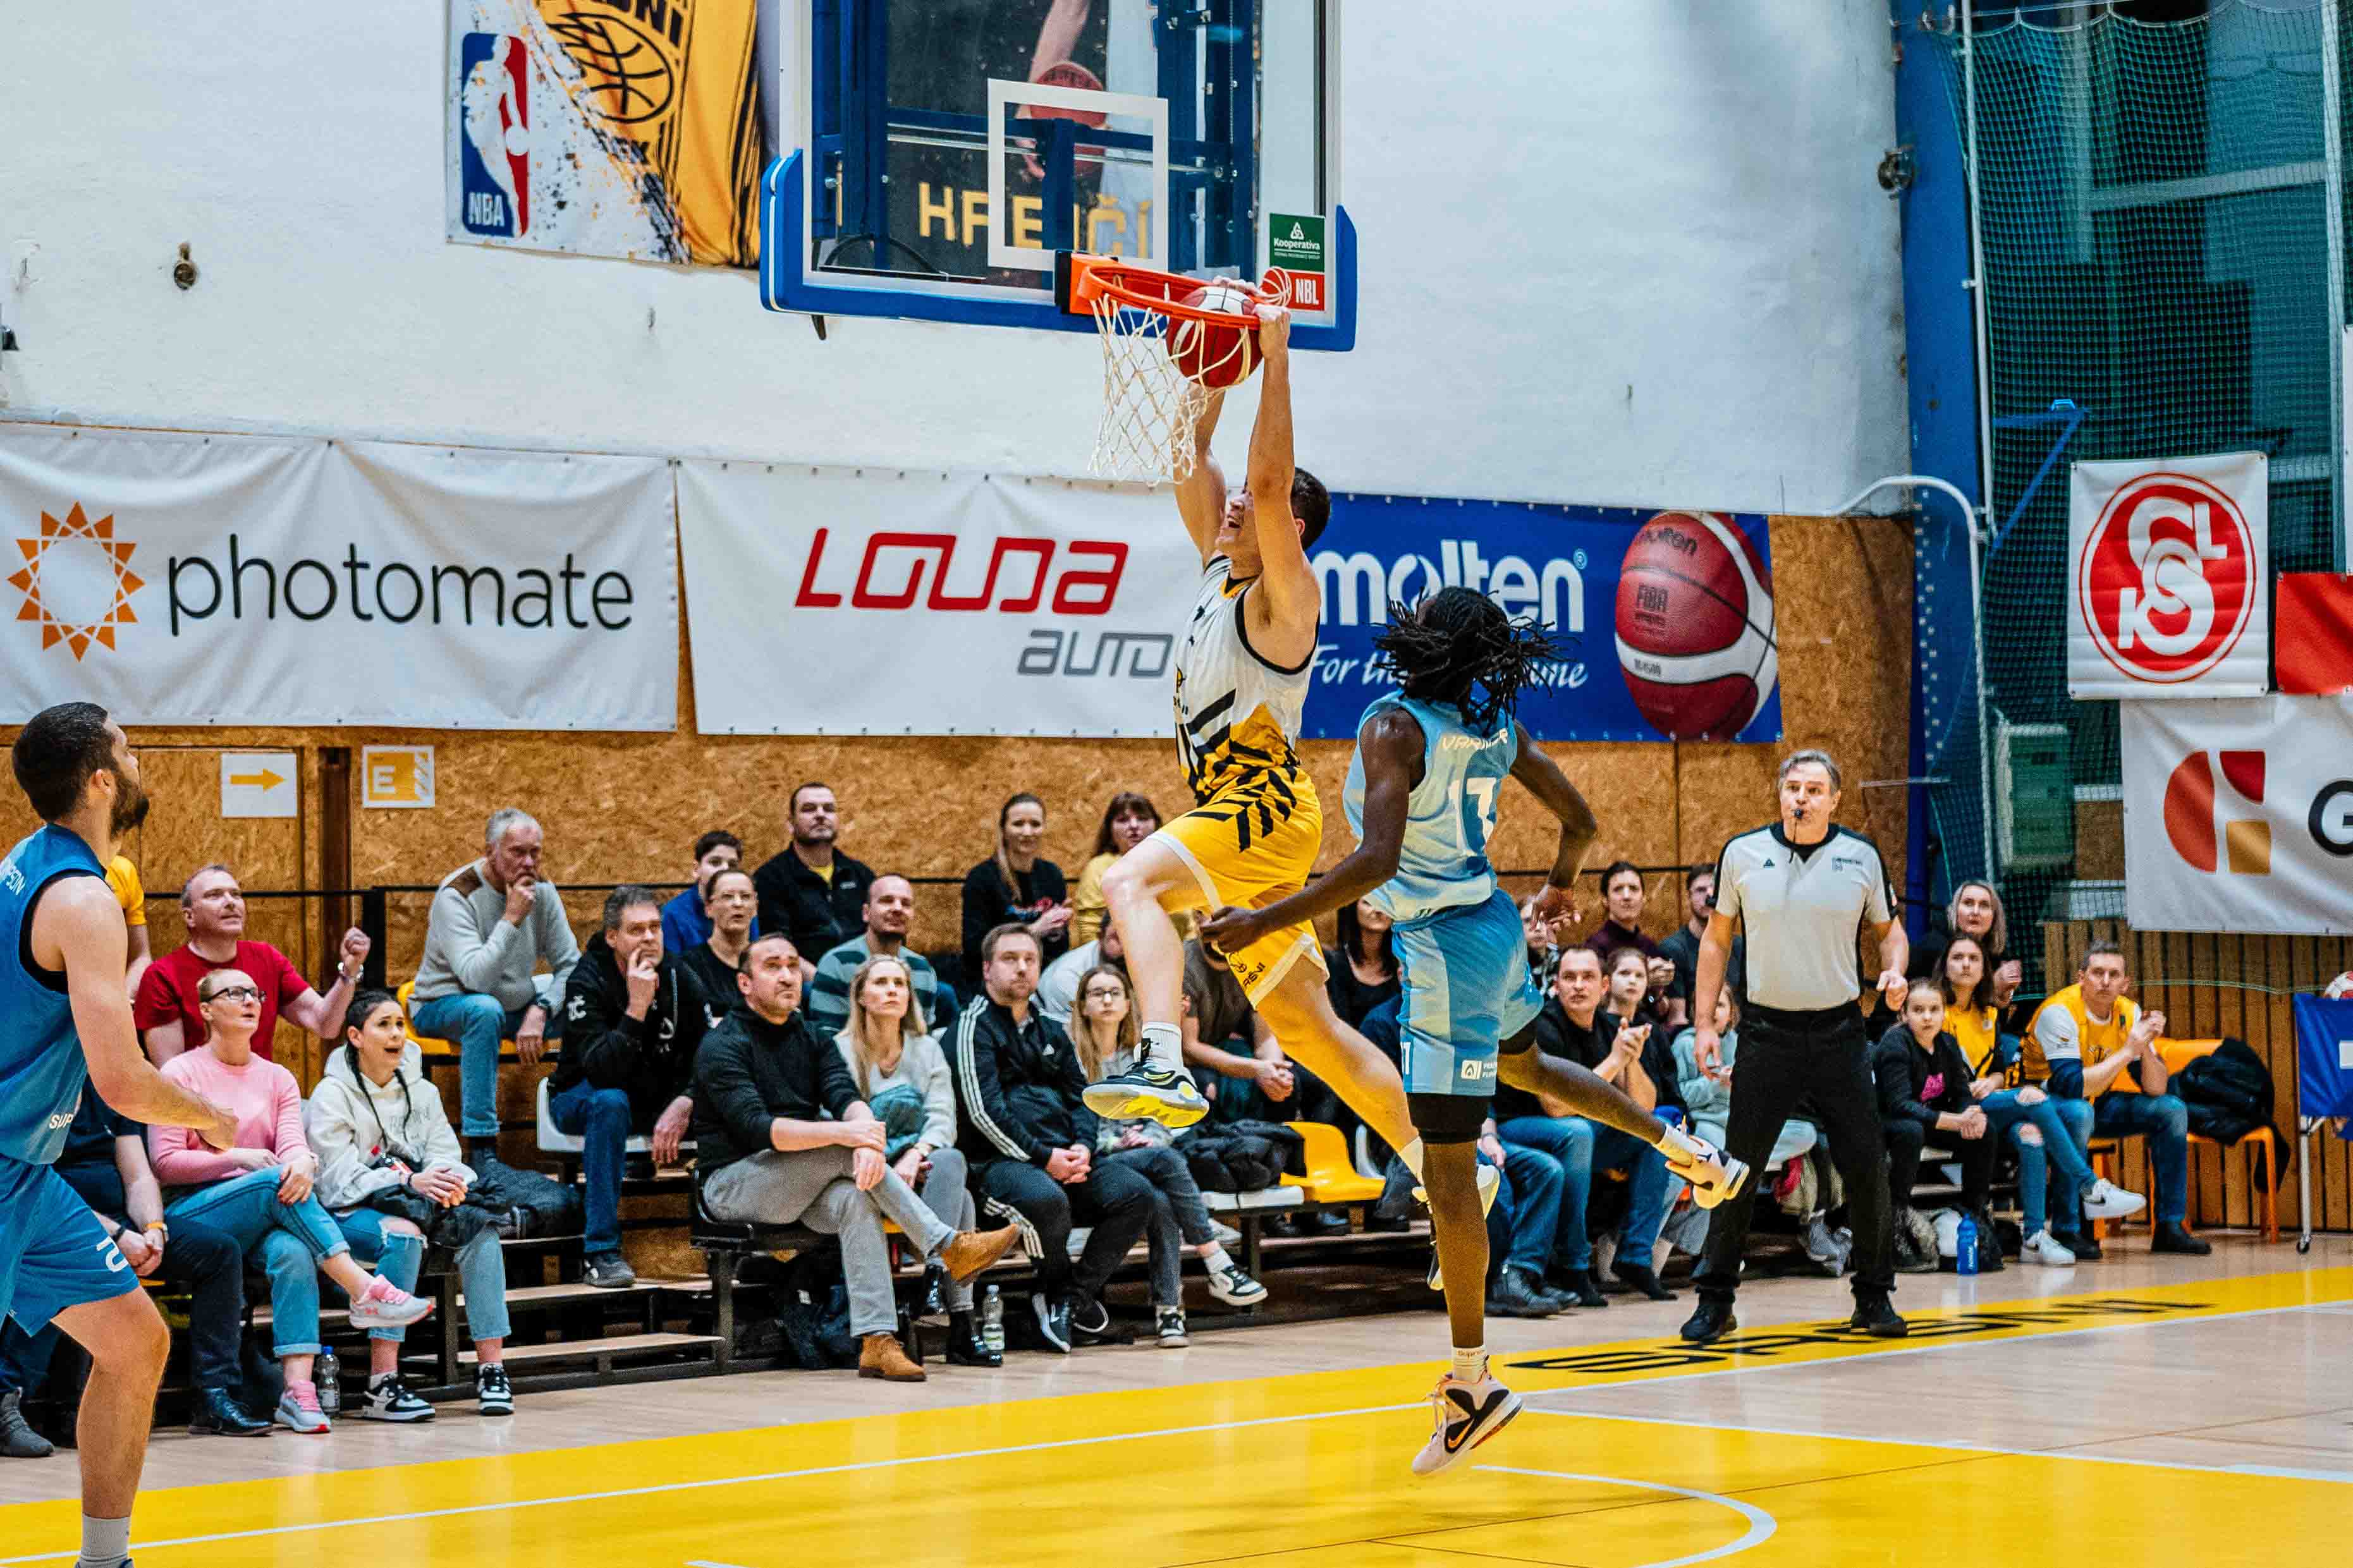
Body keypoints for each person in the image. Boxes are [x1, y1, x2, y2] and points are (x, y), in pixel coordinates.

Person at [1202, 587, 1745, 1477]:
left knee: (1450, 1175)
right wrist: (1561, 882)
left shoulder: (1393, 728)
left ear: (1428, 641)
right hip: (1491, 924)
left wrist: (1262, 920)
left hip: (1444, 950)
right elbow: (1580, 821)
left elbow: (1375, 860)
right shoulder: (1495, 724)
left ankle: (1471, 1385)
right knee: (1530, 1069)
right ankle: (1684, 1149)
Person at [1091, 303, 1433, 1173]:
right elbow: (1190, 451)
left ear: (1290, 532)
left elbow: (1269, 485)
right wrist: (1209, 365)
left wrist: (1275, 357)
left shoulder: (1288, 599)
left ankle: (1160, 1059)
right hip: (1243, 815)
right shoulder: (1218, 566)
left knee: (1126, 879)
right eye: (1233, 501)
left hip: (1264, 806)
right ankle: (1446, 1169)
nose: (1233, 506)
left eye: (1247, 505)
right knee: (1309, 1033)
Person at [3, 703, 274, 1568]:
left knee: (134, 1343)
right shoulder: (82, 900)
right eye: (127, 751)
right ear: (100, 781)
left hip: (26, 1173)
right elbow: (120, 1080)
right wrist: (211, 1115)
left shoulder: (32, 863)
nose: (138, 763)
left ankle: (104, 1559)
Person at [692, 933, 1019, 1382]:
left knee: (856, 1197)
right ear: (745, 984)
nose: (787, 975)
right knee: (844, 1151)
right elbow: (759, 1129)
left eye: (792, 965)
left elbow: (845, 1096)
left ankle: (877, 1340)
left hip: (800, 1182)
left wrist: (865, 1136)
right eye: (773, 966)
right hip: (733, 1185)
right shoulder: (723, 1044)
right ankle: (948, 1245)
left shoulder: (812, 1036)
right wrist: (852, 1137)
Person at [1680, 748, 1910, 1346]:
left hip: (1840, 1033)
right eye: (1792, 787)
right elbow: (1715, 942)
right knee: (1736, 1167)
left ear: (1834, 799)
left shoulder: (1860, 855)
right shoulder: (1742, 853)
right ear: (1780, 794)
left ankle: (1874, 1295)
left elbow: (1891, 933)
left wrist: (1896, 970)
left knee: (1867, 1163)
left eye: (1813, 789)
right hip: (1766, 1033)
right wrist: (1705, 1023)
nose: (1801, 798)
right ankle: (1715, 1300)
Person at [151, 968, 434, 1433]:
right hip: (195, 1210)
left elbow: (292, 1146)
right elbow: (165, 1163)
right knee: (270, 1183)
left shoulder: (277, 1077)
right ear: (206, 1010)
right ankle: (363, 1289)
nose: (249, 1000)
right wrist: (237, 1157)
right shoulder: (179, 1072)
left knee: (294, 1250)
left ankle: (297, 1391)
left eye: (255, 993)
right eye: (234, 993)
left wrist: (304, 1161)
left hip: (269, 1208)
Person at [0, 1089, 264, 1455]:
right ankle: (18, 1402)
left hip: (125, 1224)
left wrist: (153, 1229)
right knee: (59, 1271)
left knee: (218, 1252)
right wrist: (116, 1237)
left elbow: (138, 1176)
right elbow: (37, 1189)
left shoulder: (108, 1091)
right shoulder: (37, 1095)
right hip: (59, 1226)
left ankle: (214, 1395)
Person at [946, 924, 1156, 1354]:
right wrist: (1045, 1158)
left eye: (1030, 959)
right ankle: (1054, 1292)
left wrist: (1082, 1148)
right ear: (987, 969)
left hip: (1064, 1158)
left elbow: (1083, 1098)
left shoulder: (1052, 1028)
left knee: (1136, 1193)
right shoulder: (972, 1027)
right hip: (996, 1167)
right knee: (1046, 1199)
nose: (1022, 968)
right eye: (1010, 959)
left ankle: (1069, 1300)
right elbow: (984, 1113)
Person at [307, 990, 517, 1418]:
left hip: (416, 1199)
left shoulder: (423, 1090)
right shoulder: (332, 1093)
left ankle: (491, 1370)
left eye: (400, 1024)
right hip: (347, 1211)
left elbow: (444, 1152)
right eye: (383, 1025)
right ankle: (381, 1385)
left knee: (480, 1229)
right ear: (356, 1036)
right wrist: (405, 1179)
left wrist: (443, 1183)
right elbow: (335, 1182)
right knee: (403, 1237)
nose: (396, 1034)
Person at [1067, 963, 1265, 1345]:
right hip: (1101, 1158)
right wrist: (1116, 1142)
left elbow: (1168, 1111)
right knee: (1168, 1162)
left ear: (1129, 1004)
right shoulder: (1074, 1058)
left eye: (1115, 993)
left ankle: (1170, 1312)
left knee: (1161, 1200)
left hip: (1146, 1152)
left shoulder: (1142, 1056)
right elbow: (1076, 1117)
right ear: (1083, 1006)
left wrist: (1151, 1136)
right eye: (1097, 993)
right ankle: (1215, 1262)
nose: (1107, 1000)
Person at [833, 952, 1000, 1366]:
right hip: (864, 1173)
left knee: (951, 1160)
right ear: (861, 996)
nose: (892, 990)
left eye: (900, 984)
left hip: (921, 1171)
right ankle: (960, 1320)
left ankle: (935, 1277)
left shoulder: (926, 1049)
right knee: (963, 1203)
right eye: (881, 983)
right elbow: (834, 1120)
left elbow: (943, 1118)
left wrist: (916, 1155)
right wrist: (889, 1164)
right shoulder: (839, 1050)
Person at [549, 886, 711, 1288]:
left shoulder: (680, 976)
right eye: (637, 930)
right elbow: (602, 1071)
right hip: (580, 1096)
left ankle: (730, 1244)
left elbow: (713, 1056)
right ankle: (600, 1253)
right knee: (611, 1102)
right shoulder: (586, 980)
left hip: (654, 1097)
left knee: (732, 1099)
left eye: (655, 927)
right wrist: (636, 1008)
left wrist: (686, 1100)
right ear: (612, 937)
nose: (650, 938)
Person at [1500, 947, 1679, 1306]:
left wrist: (1630, 1060)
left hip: (1578, 1136)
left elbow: (1643, 1107)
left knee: (1657, 1130)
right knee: (1577, 1132)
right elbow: (1557, 1107)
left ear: (1604, 986)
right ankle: (1573, 1265)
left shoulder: (1608, 1026)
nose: (1579, 986)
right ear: (1556, 985)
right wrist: (1614, 1060)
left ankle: (1635, 1256)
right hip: (1516, 1127)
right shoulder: (1542, 1026)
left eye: (1588, 978)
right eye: (1569, 978)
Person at [1939, 936, 2133, 1264]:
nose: (1967, 964)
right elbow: (1933, 1072)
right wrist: (1971, 1086)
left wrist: (1993, 1082)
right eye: (1958, 958)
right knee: (2034, 1097)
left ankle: (2033, 1238)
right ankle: (2090, 1187)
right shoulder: (1937, 1009)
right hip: (1956, 1106)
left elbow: (1998, 1069)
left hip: (1994, 1102)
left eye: (1974, 958)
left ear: (1984, 969)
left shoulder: (1989, 1012)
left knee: (2035, 1134)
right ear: (1945, 966)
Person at [410, 808, 581, 1159]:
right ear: (490, 852)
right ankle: (482, 1148)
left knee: (589, 1001)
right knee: (484, 1011)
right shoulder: (457, 894)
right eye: (517, 852)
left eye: (535, 852)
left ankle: (581, 1118)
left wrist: (542, 1009)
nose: (528, 863)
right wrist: (512, 918)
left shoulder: (542, 889)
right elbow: (477, 979)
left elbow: (571, 965)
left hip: (517, 1007)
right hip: (445, 1004)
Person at [2026, 941, 2209, 1256]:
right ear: (2081, 978)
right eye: (2097, 973)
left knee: (2171, 1110)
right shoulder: (2059, 1012)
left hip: (2095, 1102)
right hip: (2042, 1103)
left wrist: (2145, 1045)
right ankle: (2067, 1229)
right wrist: (2128, 1051)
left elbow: (2156, 1089)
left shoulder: (2128, 1011)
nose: (2105, 981)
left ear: (2125, 984)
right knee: (2079, 1112)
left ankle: (2169, 1227)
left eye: (2114, 975)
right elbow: (2071, 1087)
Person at [134, 864, 371, 1064]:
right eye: (215, 895)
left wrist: (349, 971)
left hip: (259, 1095)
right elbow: (170, 1075)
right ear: (189, 916)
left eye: (236, 894)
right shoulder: (162, 975)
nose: (230, 902)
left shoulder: (267, 958)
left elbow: (325, 1024)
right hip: (197, 1100)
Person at [1871, 980, 1998, 1271]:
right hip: (1888, 1123)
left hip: (1929, 1121)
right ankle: (1896, 1221)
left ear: (1943, 1013)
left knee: (1985, 1133)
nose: (1927, 1017)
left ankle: (1975, 1214)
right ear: (1904, 1014)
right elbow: (1899, 1105)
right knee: (1910, 1131)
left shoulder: (1947, 1044)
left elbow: (1962, 1093)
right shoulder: (1895, 1043)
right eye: (1918, 1010)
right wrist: (1954, 1121)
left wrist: (1972, 1115)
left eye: (1934, 1010)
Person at [752, 783, 875, 979]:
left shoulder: (861, 875)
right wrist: (825, 983)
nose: (821, 815)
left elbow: (882, 934)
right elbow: (777, 946)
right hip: (807, 982)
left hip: (867, 979)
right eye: (809, 809)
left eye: (829, 809)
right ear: (790, 824)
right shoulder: (771, 878)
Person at [806, 874, 943, 1036]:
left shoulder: (923, 970)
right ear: (866, 912)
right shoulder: (837, 964)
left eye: (906, 904)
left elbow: (921, 1038)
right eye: (887, 901)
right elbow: (827, 1039)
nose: (898, 909)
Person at [961, 793, 1072, 979]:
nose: (1027, 832)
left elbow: (1060, 949)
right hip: (993, 980)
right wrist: (1035, 930)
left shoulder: (1052, 875)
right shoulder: (982, 877)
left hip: (1042, 976)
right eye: (1018, 824)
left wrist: (1057, 930)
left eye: (1035, 824)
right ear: (1004, 830)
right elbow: (974, 949)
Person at [1070, 791, 1192, 948]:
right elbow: (1090, 927)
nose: (1134, 826)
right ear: (1110, 829)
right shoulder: (1098, 868)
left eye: (1143, 818)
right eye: (1123, 820)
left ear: (1156, 825)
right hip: (1114, 959)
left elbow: (1190, 925)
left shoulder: (1173, 866)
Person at [1657, 865, 1746, 1031]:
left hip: (1737, 1035)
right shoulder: (1673, 949)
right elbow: (1678, 1019)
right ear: (1688, 897)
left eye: (1715, 889)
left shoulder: (1740, 946)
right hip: (1692, 1037)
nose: (1708, 895)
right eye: (1700, 890)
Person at [676, 866, 758, 1021]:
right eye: (728, 897)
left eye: (746, 896)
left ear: (756, 907)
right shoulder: (689, 966)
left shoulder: (768, 961)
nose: (738, 903)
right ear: (709, 908)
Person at [660, 830, 750, 956]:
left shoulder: (745, 908)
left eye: (732, 865)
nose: (725, 869)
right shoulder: (672, 914)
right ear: (696, 870)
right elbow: (673, 965)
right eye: (715, 862)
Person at [1325, 898, 1400, 1030]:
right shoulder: (1333, 963)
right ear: (1353, 908)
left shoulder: (1403, 964)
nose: (1378, 910)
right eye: (1369, 903)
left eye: (1385, 903)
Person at [1036, 921, 1123, 1027]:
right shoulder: (1067, 978)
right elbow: (1079, 1033)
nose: (1127, 946)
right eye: (1118, 937)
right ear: (1100, 937)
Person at [1583, 862, 1658, 963]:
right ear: (1605, 900)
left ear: (1644, 898)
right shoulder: (1594, 948)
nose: (1627, 896)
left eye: (1633, 888)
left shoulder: (1650, 947)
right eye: (1618, 889)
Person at [106, 855, 150, 1005]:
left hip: (113, 998)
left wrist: (123, 1001)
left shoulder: (121, 869)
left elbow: (140, 957)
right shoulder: (44, 864)